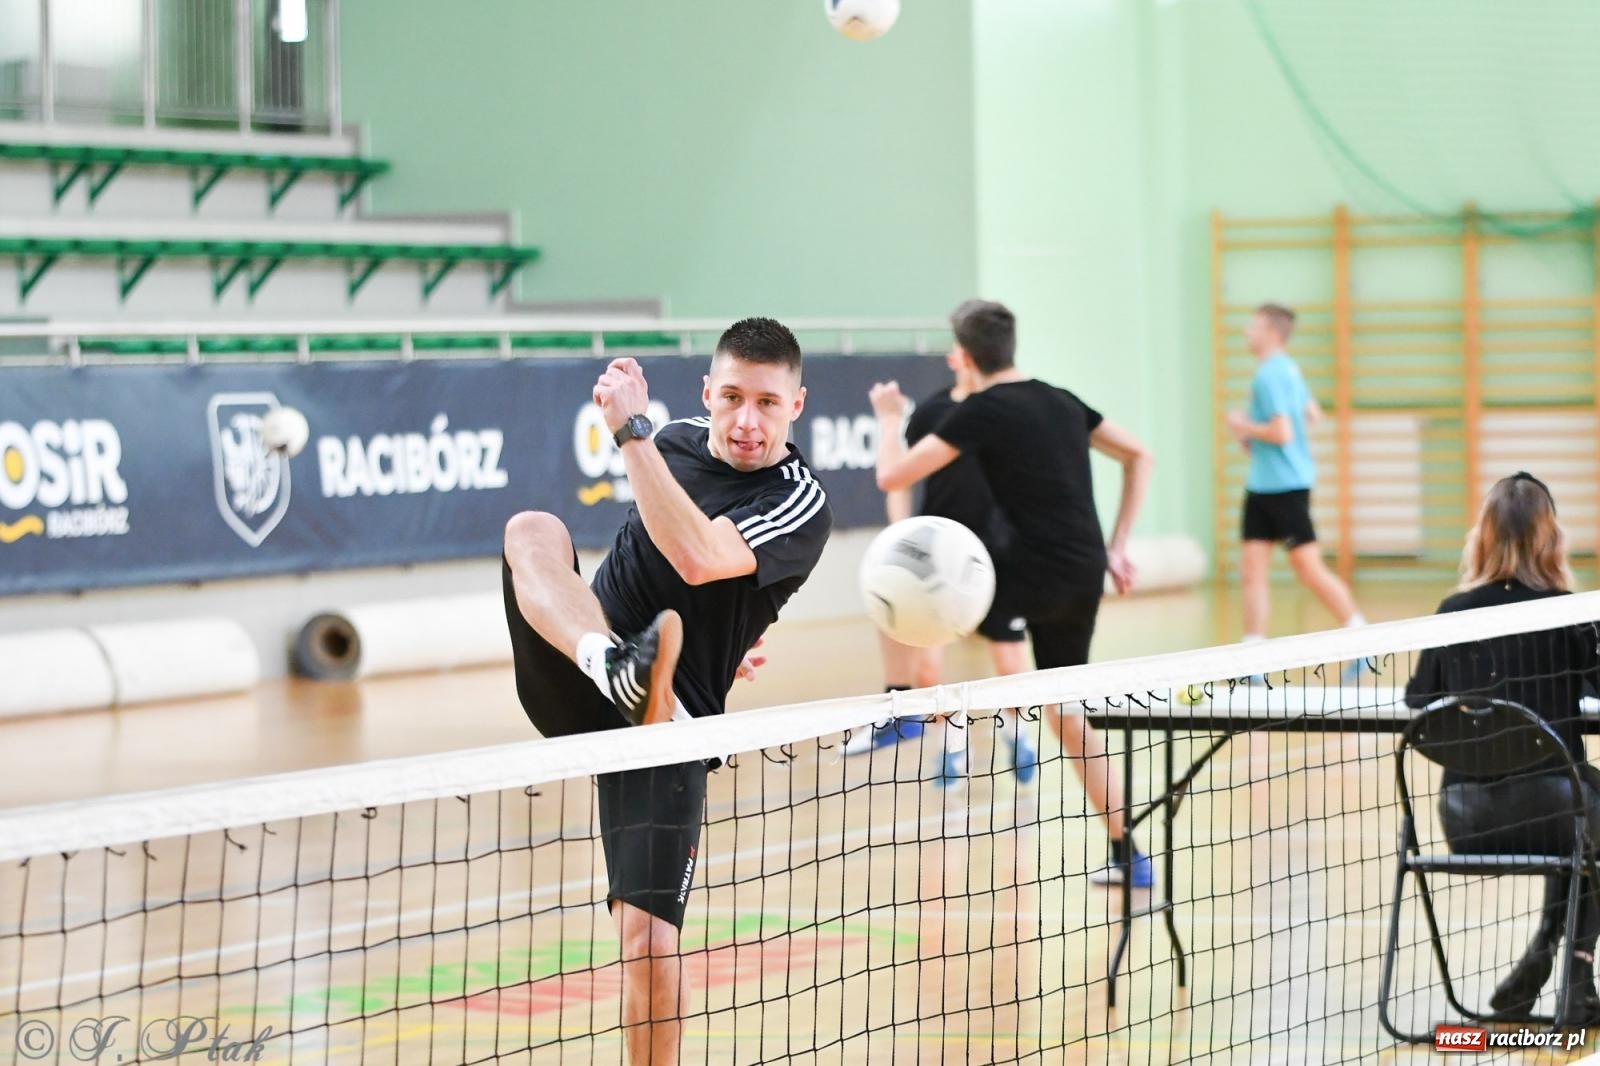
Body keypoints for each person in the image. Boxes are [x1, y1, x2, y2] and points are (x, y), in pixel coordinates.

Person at [502, 318, 832, 1065]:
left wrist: (631, 433)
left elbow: (695, 558)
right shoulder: (674, 440)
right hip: (588, 681)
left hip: (670, 723)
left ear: (797, 406)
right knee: (532, 527)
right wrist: (646, 438)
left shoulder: (798, 501)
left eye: (769, 404)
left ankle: (632, 674)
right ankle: (610, 661)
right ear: (708, 391)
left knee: (648, 944)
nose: (748, 421)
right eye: (734, 397)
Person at [870, 299, 1156, 888]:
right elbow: (1138, 455)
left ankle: (906, 709)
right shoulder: (1062, 399)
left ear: (966, 358)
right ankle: (1129, 852)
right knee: (1068, 714)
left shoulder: (983, 409)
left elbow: (892, 477)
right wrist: (1118, 546)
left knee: (906, 586)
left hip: (1025, 572)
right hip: (1083, 572)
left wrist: (887, 416)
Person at [1404, 472, 1600, 1022]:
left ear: (1482, 536)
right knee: (1585, 817)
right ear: (1551, 538)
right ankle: (1572, 971)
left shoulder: (1453, 613)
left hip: (1467, 819)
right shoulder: (1568, 616)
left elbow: (1420, 700)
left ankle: (1544, 963)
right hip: (1558, 812)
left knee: (1584, 818)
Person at [845, 344, 1038, 786]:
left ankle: (1017, 734)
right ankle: (953, 750)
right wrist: (901, 537)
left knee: (1010, 664)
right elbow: (899, 475)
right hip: (937, 565)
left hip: (997, 557)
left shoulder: (1006, 413)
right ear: (957, 360)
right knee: (927, 671)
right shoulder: (933, 413)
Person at [1226, 304, 1369, 676]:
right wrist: (1259, 438)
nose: (1247, 332)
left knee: (1309, 570)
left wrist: (1244, 425)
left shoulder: (1269, 376)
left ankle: (1363, 639)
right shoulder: (1289, 368)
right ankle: (1252, 656)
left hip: (1285, 489)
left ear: (1272, 333)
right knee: (1252, 570)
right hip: (1262, 485)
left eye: (1253, 326)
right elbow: (1312, 414)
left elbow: (1283, 431)